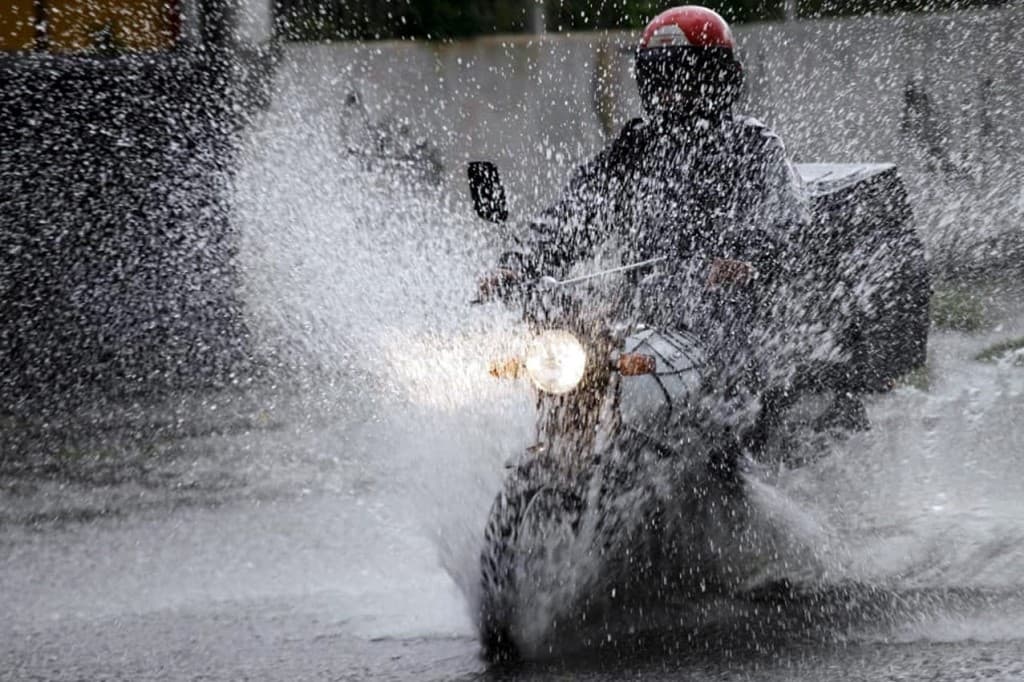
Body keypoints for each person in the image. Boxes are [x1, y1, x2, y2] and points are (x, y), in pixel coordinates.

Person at [483, 5, 808, 301]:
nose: (665, 92)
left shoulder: (751, 144)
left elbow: (785, 223)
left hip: (731, 309)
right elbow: (574, 215)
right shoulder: (632, 148)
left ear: (718, 77)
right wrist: (518, 266)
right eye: (656, 78)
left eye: (678, 78)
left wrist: (743, 260)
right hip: (645, 316)